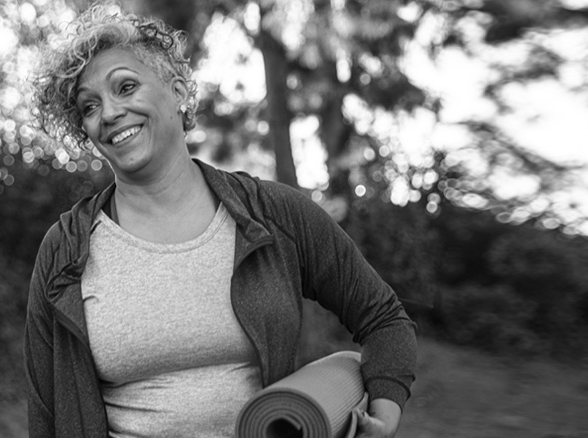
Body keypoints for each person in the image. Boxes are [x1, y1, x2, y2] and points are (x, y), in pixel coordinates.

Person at [25, 6, 416, 438]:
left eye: (126, 86)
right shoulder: (65, 249)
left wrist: (383, 418)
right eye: (89, 106)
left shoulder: (274, 213)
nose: (110, 113)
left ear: (177, 91)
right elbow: (46, 409)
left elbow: (383, 319)